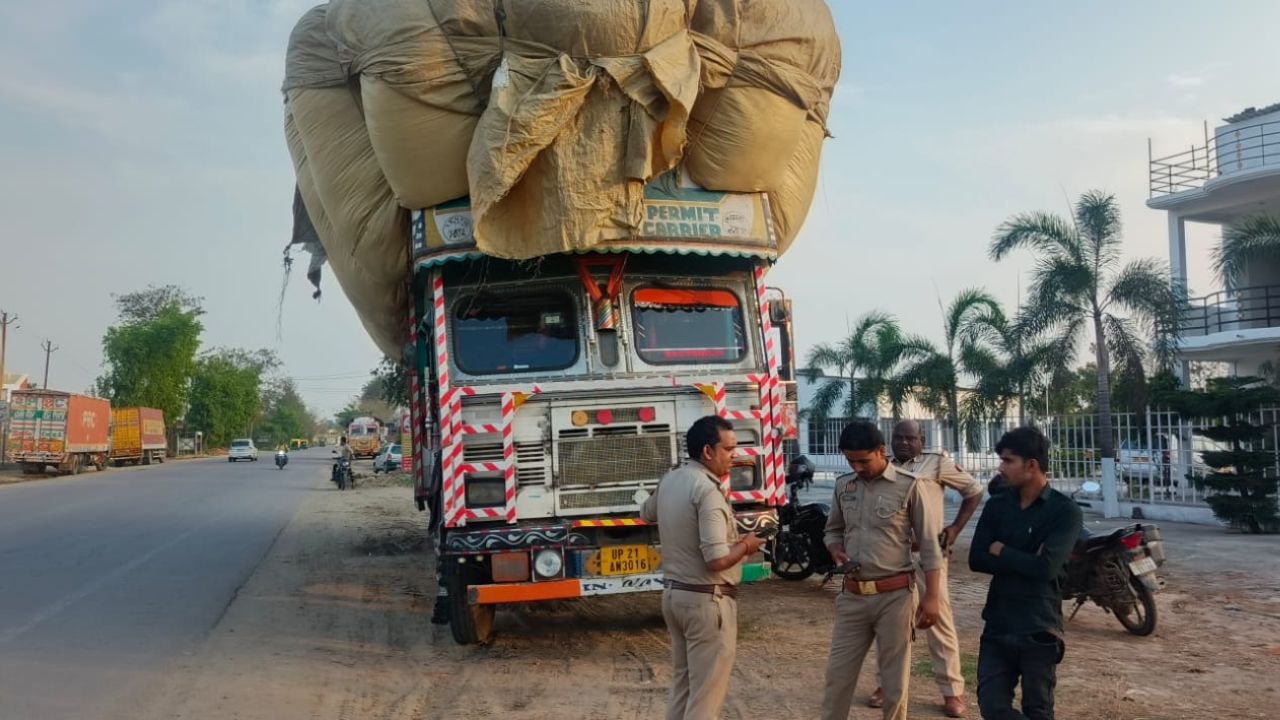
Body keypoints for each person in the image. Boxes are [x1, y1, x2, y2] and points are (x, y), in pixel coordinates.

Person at [640, 416, 766, 720]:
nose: (734, 455)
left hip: (675, 598)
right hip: (706, 602)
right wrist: (748, 545)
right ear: (708, 452)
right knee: (705, 699)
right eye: (729, 449)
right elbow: (716, 560)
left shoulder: (672, 479)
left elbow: (646, 513)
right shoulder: (708, 492)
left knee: (683, 688)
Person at [820, 420, 943, 720]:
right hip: (852, 597)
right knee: (837, 677)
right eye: (851, 461)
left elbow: (929, 545)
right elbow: (833, 530)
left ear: (880, 450)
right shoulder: (843, 485)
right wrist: (835, 548)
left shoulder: (909, 485)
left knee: (894, 682)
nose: (857, 467)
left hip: (895, 597)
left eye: (863, 460)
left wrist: (932, 598)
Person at [866, 420, 983, 718]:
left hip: (927, 558)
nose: (904, 443)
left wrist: (955, 529)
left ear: (921, 440)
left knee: (939, 622)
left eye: (910, 438)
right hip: (890, 558)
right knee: (889, 624)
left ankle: (952, 692)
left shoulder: (936, 464)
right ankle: (885, 686)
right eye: (898, 438)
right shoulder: (883, 467)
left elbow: (974, 491)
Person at [969, 426, 1082, 720]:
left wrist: (1002, 551)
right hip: (997, 623)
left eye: (1008, 461)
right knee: (992, 707)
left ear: (1031, 465)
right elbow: (977, 558)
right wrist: (1026, 558)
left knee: (1038, 710)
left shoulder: (1064, 512)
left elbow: (1046, 568)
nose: (1000, 467)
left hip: (1039, 627)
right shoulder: (997, 506)